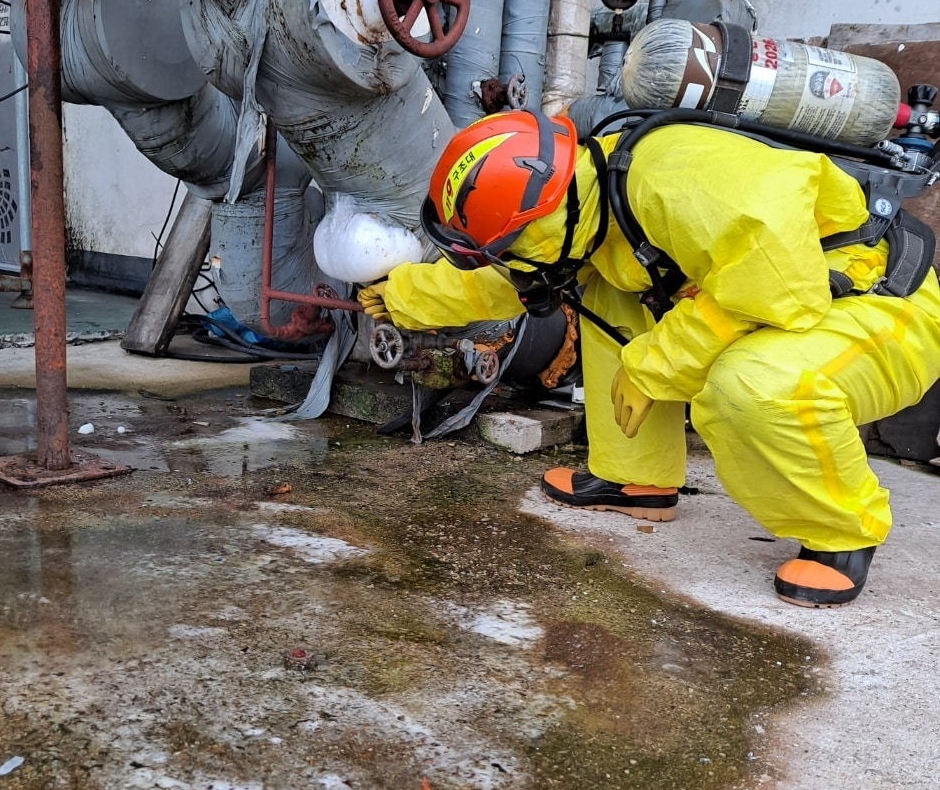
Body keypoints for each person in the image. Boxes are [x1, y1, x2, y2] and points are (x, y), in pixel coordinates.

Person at [357, 109, 940, 607]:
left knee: (750, 386)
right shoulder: (586, 202)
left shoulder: (676, 181)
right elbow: (513, 279)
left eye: (508, 246)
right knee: (601, 287)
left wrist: (653, 364)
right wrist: (400, 296)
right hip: (783, 298)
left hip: (881, 306)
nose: (507, 259)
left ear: (540, 217)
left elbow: (775, 285)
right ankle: (636, 479)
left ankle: (842, 532)